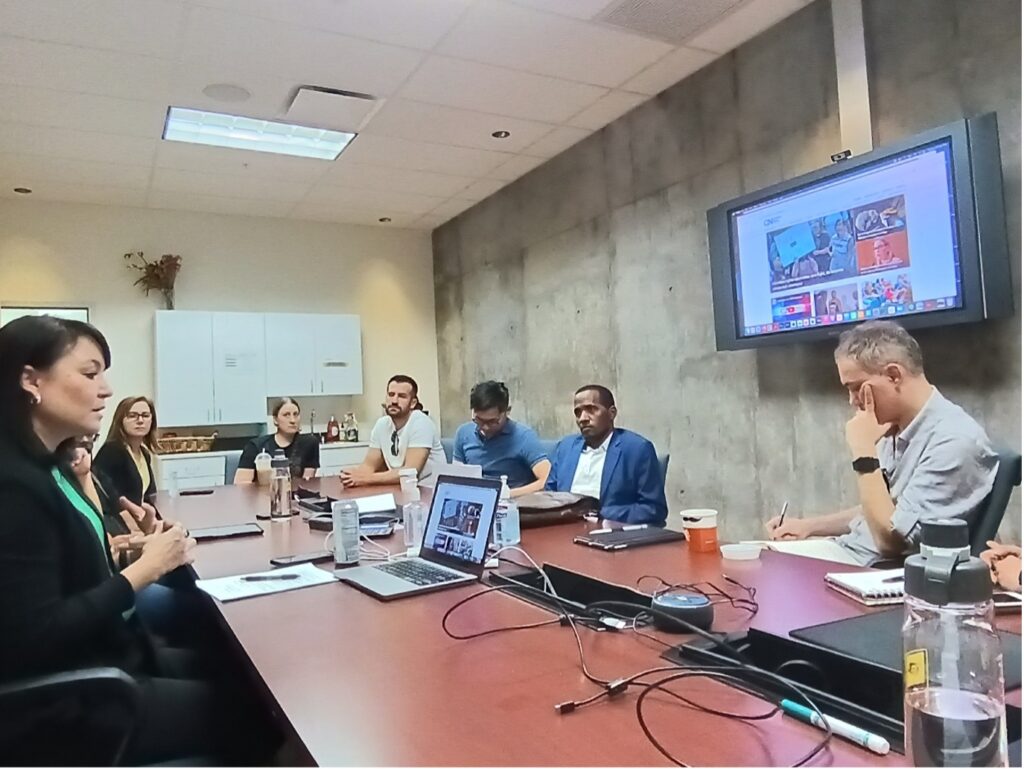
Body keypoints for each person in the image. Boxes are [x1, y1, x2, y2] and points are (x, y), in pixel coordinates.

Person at [0, 315, 263, 764]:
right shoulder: (14, 486)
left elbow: (70, 570)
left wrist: (131, 548)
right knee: (257, 716)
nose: (106, 389)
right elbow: (32, 635)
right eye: (89, 373)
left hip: (114, 654)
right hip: (75, 700)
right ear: (30, 380)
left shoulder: (53, 467)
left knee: (244, 674)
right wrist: (149, 568)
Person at [766, 321, 998, 565]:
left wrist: (864, 454)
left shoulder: (955, 441)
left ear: (893, 375)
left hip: (875, 573)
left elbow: (891, 543)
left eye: (856, 388)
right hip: (847, 552)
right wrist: (808, 527)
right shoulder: (896, 426)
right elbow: (885, 510)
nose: (853, 401)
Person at [545, 385, 667, 525]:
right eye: (578, 413)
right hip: (564, 532)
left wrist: (599, 514)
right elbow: (550, 497)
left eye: (591, 410)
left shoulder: (637, 449)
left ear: (612, 413)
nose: (582, 418)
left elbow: (653, 509)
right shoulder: (565, 448)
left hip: (611, 532)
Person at [341, 375, 445, 488]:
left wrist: (365, 478)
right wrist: (350, 475)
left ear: (413, 403)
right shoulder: (382, 424)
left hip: (428, 490)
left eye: (402, 396)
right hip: (399, 488)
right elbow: (368, 466)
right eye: (391, 395)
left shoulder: (421, 423)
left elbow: (410, 472)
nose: (394, 401)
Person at [452, 380, 551, 497]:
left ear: (507, 411)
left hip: (512, 502)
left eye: (492, 421)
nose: (485, 427)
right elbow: (456, 477)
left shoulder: (524, 437)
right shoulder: (463, 433)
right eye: (479, 420)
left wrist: (506, 494)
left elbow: (547, 481)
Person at [234, 397, 319, 483]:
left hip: (295, 495)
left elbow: (307, 483)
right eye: (286, 415)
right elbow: (241, 484)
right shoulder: (256, 446)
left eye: (296, 414)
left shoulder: (309, 444)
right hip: (262, 495)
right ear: (275, 420)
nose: (293, 420)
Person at [93, 395, 158, 505]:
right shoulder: (112, 451)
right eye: (132, 416)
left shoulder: (144, 454)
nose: (140, 420)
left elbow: (148, 497)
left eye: (145, 415)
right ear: (120, 420)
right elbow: (103, 496)